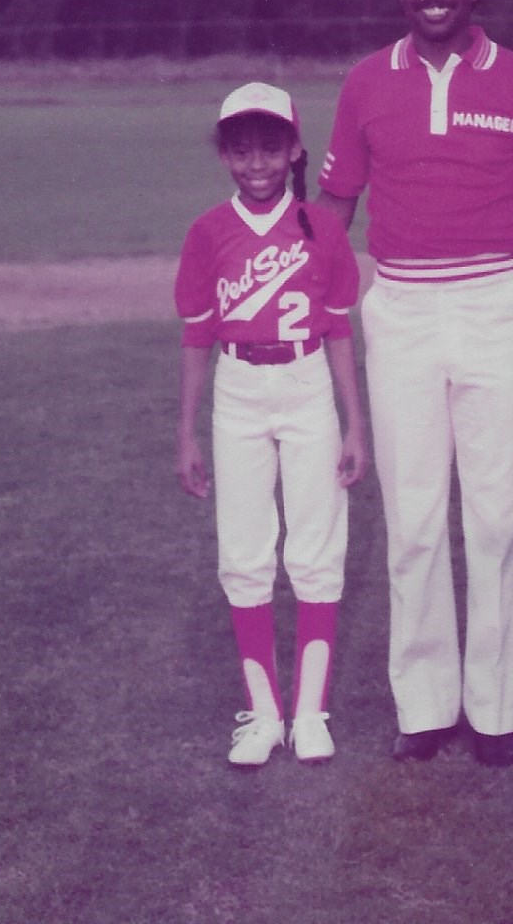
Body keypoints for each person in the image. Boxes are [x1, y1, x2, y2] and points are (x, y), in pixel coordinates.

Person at [316, 0, 513, 768]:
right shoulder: (364, 82)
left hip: (497, 307)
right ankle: (423, 709)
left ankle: (498, 713)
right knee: (416, 519)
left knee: (498, 518)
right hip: (402, 311)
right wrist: (314, 308)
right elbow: (333, 212)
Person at [175, 81, 369, 769]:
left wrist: (354, 423)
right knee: (245, 551)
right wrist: (187, 433)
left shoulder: (322, 227)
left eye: (270, 148)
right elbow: (198, 335)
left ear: (294, 151)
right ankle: (263, 715)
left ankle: (310, 714)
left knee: (316, 547)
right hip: (238, 389)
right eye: (241, 150)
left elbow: (340, 327)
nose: (257, 164)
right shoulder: (208, 232)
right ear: (225, 156)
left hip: (308, 380)